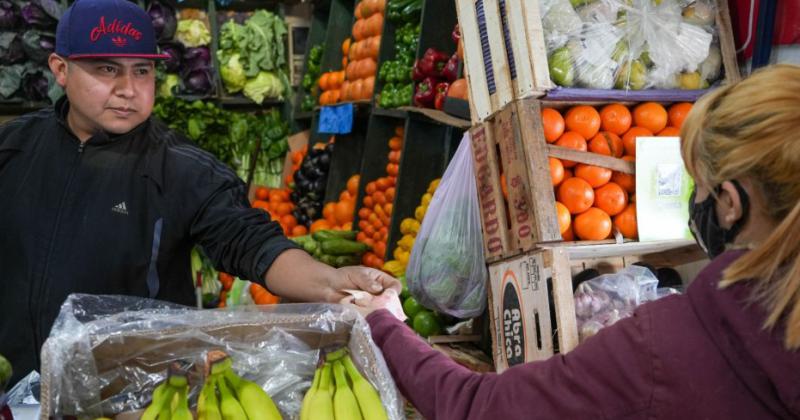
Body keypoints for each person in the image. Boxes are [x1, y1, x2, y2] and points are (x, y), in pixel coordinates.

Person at [346, 65, 800, 419]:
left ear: (730, 204)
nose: (694, 200)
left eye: (697, 186)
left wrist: (386, 326)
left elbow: (478, 409)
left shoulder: (667, 349)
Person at [0, 0, 398, 388]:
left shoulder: (180, 168)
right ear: (60, 70)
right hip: (11, 385)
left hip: (129, 396)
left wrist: (331, 282)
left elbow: (252, 242)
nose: (128, 89)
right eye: (106, 69)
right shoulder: (14, 147)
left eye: (142, 71)